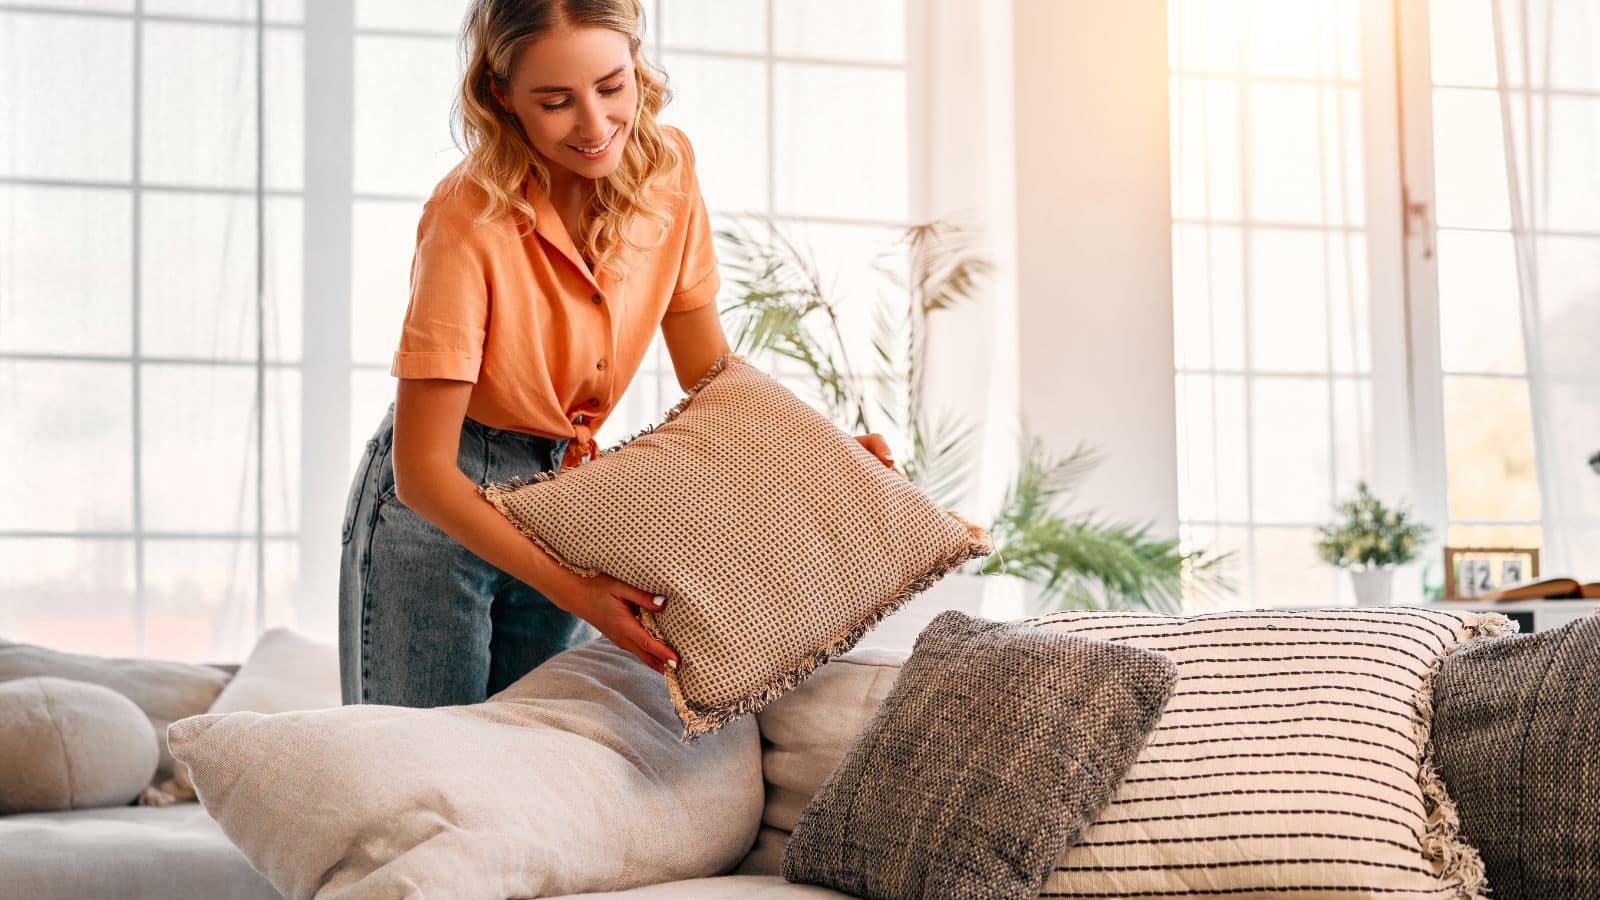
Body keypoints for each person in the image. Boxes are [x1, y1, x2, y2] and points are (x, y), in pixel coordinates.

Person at [339, 0, 895, 709]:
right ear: (502, 97)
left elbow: (709, 377)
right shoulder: (465, 216)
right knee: (414, 774)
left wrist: (818, 454)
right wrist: (585, 597)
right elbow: (422, 475)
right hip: (444, 503)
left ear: (637, 65)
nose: (596, 127)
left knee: (535, 772)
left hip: (571, 489)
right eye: (556, 102)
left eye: (611, 86)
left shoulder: (670, 172)